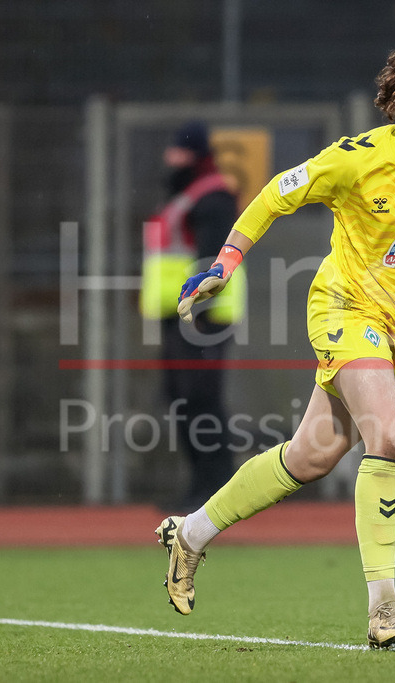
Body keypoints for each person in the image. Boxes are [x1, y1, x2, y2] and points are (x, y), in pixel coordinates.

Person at [153, 32, 395, 650]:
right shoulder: (356, 158)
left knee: (311, 455)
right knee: (389, 431)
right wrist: (224, 264)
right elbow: (273, 196)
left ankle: (190, 534)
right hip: (343, 307)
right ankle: (383, 609)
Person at [140, 121, 244, 509]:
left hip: (203, 317)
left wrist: (203, 312)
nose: (170, 158)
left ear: (194, 155)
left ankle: (217, 488)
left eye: (177, 150)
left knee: (201, 401)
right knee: (182, 400)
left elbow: (212, 260)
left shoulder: (211, 195)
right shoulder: (185, 194)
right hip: (179, 315)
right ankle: (203, 487)